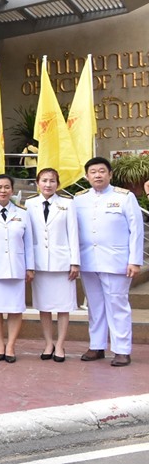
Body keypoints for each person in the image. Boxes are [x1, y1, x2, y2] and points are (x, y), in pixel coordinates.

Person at [75, 157, 144, 367]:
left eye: (102, 171)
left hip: (116, 261)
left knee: (117, 305)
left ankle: (122, 349)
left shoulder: (124, 197)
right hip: (88, 260)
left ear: (110, 174)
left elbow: (136, 230)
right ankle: (96, 346)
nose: (98, 175)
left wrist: (135, 260)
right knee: (95, 306)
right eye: (93, 172)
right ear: (87, 176)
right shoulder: (79, 199)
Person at [25, 168, 79, 362]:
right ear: (37, 183)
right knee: (44, 306)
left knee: (64, 306)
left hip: (62, 263)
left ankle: (61, 344)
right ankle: (49, 343)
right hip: (39, 263)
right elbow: (27, 236)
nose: (48, 185)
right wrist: (28, 264)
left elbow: (73, 233)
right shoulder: (29, 204)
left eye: (52, 181)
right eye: (44, 180)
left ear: (58, 184)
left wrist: (75, 262)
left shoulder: (68, 203)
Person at [0, 174, 34, 363]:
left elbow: (29, 243)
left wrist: (30, 267)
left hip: (16, 267)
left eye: (6, 187)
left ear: (12, 190)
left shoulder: (23, 213)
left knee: (15, 309)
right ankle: (0, 344)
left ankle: (11, 345)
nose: (3, 191)